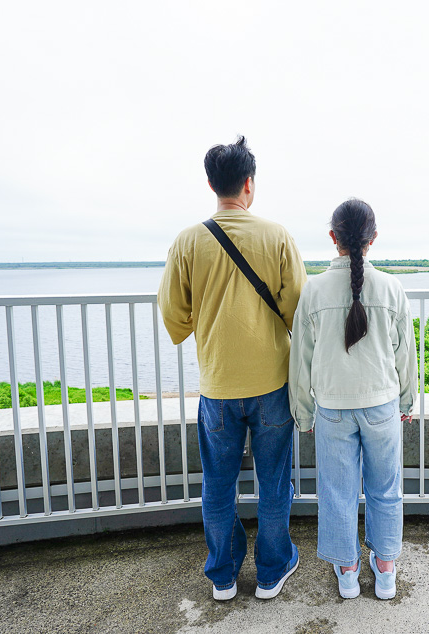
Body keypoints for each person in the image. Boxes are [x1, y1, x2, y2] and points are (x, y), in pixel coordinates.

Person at [158, 136, 307, 601]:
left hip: (218, 386)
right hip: (271, 383)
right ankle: (271, 571)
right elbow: (296, 305)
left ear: (211, 184)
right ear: (250, 184)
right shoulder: (277, 235)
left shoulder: (187, 241)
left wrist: (200, 321)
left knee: (218, 485)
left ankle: (222, 575)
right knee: (274, 482)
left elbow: (172, 315)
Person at [289, 198, 418, 600]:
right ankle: (385, 569)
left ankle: (347, 571)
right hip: (381, 405)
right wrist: (406, 403)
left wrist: (303, 413)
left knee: (337, 491)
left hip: (332, 409)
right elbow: (406, 356)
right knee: (385, 488)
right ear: (373, 239)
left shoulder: (313, 291)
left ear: (333, 238)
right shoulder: (392, 289)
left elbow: (301, 361)